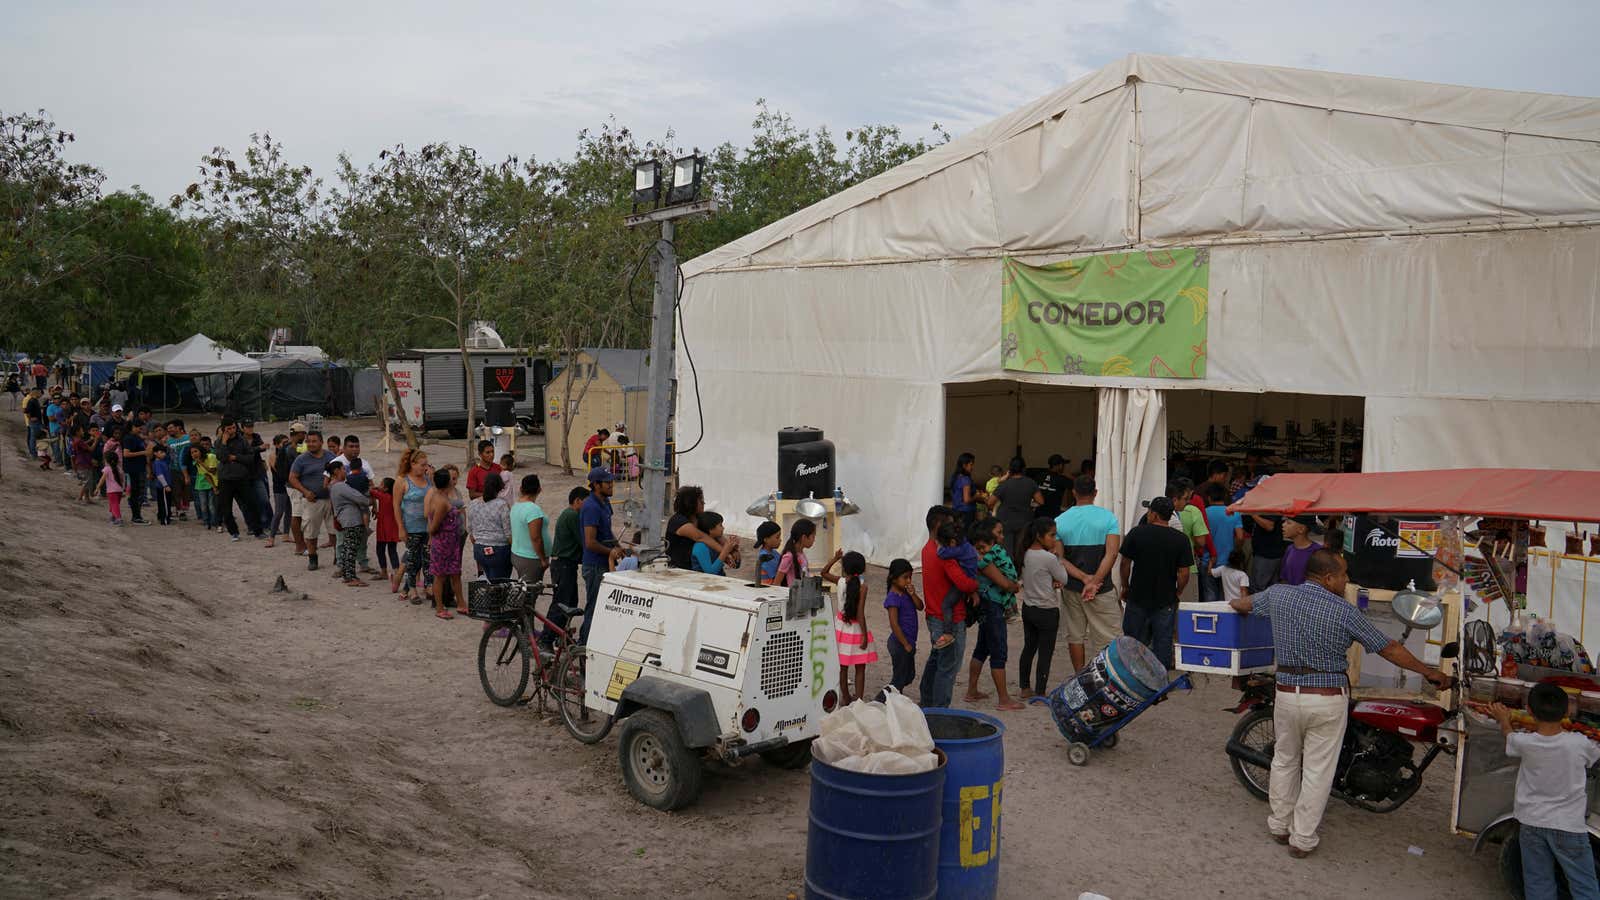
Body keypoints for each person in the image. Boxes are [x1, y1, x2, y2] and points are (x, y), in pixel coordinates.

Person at [1230, 549, 1449, 857]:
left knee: (1285, 759)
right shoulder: (1344, 611)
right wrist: (1430, 673)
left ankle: (1279, 825)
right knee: (1318, 771)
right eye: (1344, 575)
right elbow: (1388, 649)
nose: (1347, 580)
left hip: (1286, 694)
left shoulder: (1278, 595)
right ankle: (1302, 839)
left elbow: (1240, 604)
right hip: (1326, 700)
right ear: (1329, 577)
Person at [1490, 686, 1600, 899]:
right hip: (1569, 827)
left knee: (1538, 883)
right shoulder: (1578, 743)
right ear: (1568, 712)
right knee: (1584, 885)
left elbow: (1509, 735)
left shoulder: (1525, 742)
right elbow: (1595, 751)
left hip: (1532, 823)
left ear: (1529, 711)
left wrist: (1504, 718)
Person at [1055, 476, 1122, 673]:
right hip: (1102, 589)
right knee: (1108, 636)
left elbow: (1059, 559)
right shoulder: (1109, 518)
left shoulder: (1059, 521)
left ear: (1074, 492)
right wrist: (1095, 581)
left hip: (1072, 588)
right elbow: (1112, 553)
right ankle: (1106, 676)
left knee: (1075, 636)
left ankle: (1079, 675)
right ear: (1095, 493)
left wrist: (1085, 579)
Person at [1118, 496, 1194, 670]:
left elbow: (1125, 563)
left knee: (1132, 639)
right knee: (1163, 640)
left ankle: (1131, 674)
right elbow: (1184, 573)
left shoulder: (1137, 533)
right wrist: (1177, 592)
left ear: (1153, 514)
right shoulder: (1180, 539)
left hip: (1137, 595)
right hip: (1166, 598)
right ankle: (1160, 679)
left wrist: (1125, 586)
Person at [1020, 517, 1088, 698]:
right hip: (1047, 610)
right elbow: (1064, 578)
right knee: (1045, 652)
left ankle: (1024, 687)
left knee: (1029, 648)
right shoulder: (1049, 558)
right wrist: (1057, 558)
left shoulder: (1025, 553)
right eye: (1051, 535)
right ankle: (1040, 692)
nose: (1054, 539)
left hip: (1028, 607)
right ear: (1039, 536)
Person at [919, 505, 979, 709]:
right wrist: (976, 586)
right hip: (951, 619)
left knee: (937, 659)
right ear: (938, 525)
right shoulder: (946, 555)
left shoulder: (927, 549)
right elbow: (964, 583)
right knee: (948, 667)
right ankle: (939, 714)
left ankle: (926, 703)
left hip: (933, 615)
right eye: (949, 524)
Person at [964, 519, 1024, 711]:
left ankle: (971, 691)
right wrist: (1015, 586)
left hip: (985, 605)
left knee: (982, 647)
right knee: (999, 650)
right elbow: (1006, 585)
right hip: (993, 605)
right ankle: (1004, 699)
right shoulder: (987, 557)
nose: (1002, 536)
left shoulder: (977, 554)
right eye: (998, 532)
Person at [579, 467, 621, 644]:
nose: (611, 485)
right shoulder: (590, 507)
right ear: (596, 485)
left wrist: (618, 546)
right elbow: (590, 542)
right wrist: (610, 551)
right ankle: (584, 647)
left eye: (612, 481)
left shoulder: (605, 502)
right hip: (595, 566)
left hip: (604, 562)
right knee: (594, 608)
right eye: (607, 482)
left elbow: (607, 532)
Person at [546, 486, 588, 642]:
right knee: (561, 603)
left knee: (570, 602)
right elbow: (584, 541)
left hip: (565, 565)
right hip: (563, 565)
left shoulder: (570, 514)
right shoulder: (572, 515)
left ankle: (560, 636)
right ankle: (547, 639)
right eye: (586, 502)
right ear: (577, 501)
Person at [834, 552, 876, 704]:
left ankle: (845, 697)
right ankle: (858, 699)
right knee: (860, 668)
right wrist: (864, 635)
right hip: (857, 630)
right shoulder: (862, 587)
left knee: (843, 667)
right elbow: (860, 614)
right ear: (863, 569)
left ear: (844, 568)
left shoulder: (839, 582)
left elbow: (824, 572)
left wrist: (835, 559)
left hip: (841, 627)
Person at [288, 431, 334, 567]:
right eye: (308, 441)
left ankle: (339, 558)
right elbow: (292, 478)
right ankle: (313, 558)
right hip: (312, 501)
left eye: (314, 441)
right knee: (311, 532)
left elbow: (338, 473)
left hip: (331, 499)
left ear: (321, 442)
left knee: (335, 530)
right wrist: (305, 492)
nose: (311, 444)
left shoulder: (330, 457)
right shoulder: (301, 459)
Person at [427, 467, 467, 619]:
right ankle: (439, 607)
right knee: (440, 576)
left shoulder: (437, 496)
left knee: (455, 573)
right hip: (444, 543)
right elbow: (434, 526)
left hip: (450, 542)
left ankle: (461, 603)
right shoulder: (442, 501)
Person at [394, 449, 433, 604]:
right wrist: (400, 527)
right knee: (412, 559)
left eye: (426, 464)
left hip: (428, 527)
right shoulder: (402, 481)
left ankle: (428, 585)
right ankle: (412, 589)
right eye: (422, 465)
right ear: (412, 464)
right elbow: (396, 506)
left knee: (428, 558)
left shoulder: (428, 479)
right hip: (411, 527)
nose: (425, 468)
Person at [215, 419, 263, 541]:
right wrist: (224, 442)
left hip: (242, 478)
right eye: (228, 428)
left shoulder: (242, 440)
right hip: (225, 479)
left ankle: (258, 531)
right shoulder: (219, 442)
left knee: (252, 504)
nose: (231, 430)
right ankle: (234, 533)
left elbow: (250, 458)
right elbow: (222, 457)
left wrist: (236, 457)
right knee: (226, 508)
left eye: (233, 427)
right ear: (223, 429)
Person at [328, 460, 373, 588]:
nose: (345, 472)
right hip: (352, 519)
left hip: (347, 520)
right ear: (336, 471)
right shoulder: (340, 486)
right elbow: (359, 498)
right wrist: (368, 500)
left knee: (348, 548)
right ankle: (352, 577)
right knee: (351, 548)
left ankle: (347, 575)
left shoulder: (334, 486)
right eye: (343, 469)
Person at [988, 457, 1041, 563]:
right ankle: (1020, 574)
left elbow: (990, 503)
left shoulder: (1004, 484)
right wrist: (1030, 505)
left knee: (1007, 552)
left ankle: (1008, 575)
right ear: (1023, 469)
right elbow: (1040, 501)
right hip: (1024, 521)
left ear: (1010, 469)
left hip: (1005, 522)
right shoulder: (1030, 483)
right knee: (1021, 551)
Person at [665, 486, 732, 570]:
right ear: (690, 503)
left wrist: (732, 549)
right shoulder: (678, 521)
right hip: (679, 568)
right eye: (700, 501)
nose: (703, 503)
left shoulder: (699, 519)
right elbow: (701, 537)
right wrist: (725, 552)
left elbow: (717, 535)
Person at [881, 558, 922, 695]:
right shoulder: (893, 598)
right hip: (899, 643)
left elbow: (920, 606)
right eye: (905, 578)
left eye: (910, 577)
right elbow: (894, 624)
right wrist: (905, 644)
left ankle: (894, 697)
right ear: (893, 579)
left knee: (908, 676)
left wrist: (913, 594)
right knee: (899, 679)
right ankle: (884, 699)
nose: (909, 581)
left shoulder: (906, 593)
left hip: (909, 641)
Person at [1201, 483, 1245, 603]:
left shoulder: (1203, 513)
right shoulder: (1234, 513)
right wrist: (1235, 550)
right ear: (1224, 496)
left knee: (1210, 597)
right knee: (1227, 597)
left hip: (1208, 561)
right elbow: (1240, 537)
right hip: (1228, 562)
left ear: (1209, 497)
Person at [467, 471, 514, 582]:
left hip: (479, 549)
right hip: (499, 550)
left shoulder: (473, 504)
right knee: (500, 583)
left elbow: (470, 529)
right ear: (500, 488)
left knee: (489, 581)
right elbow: (508, 533)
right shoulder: (502, 505)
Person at [509, 474, 550, 583]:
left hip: (518, 553)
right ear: (539, 489)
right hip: (531, 558)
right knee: (529, 594)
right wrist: (542, 559)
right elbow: (536, 537)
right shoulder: (533, 510)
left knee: (524, 589)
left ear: (521, 489)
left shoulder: (516, 506)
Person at [1171, 479, 1211, 592]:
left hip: (1167, 567)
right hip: (1188, 566)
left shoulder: (1160, 512)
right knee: (1186, 604)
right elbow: (1201, 541)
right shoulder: (1194, 511)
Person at [372, 477, 401, 592]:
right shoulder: (393, 497)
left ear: (386, 488)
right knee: (392, 550)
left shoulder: (383, 496)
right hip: (392, 527)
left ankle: (384, 571)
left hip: (384, 527)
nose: (380, 486)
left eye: (382, 485)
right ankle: (397, 571)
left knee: (380, 549)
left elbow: (371, 491)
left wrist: (374, 488)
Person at [120, 421, 151, 524]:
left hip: (139, 468)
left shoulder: (137, 438)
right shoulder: (129, 438)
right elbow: (126, 454)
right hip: (133, 469)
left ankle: (138, 516)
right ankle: (136, 517)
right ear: (131, 427)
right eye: (137, 427)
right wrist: (144, 452)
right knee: (136, 493)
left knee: (139, 493)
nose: (139, 429)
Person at [1279, 516, 1322, 587]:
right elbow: (1285, 578)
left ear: (1301, 529)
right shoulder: (1289, 549)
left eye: (1288, 523)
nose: (1283, 525)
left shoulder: (1318, 552)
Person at [189, 444, 217, 529]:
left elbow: (211, 471)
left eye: (196, 451)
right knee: (203, 505)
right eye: (192, 453)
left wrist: (200, 462)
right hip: (201, 484)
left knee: (212, 505)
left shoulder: (211, 456)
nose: (194, 454)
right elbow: (205, 474)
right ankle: (206, 522)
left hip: (213, 482)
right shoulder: (196, 462)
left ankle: (214, 522)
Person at [1036, 454, 1071, 520]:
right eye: (1063, 465)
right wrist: (1069, 475)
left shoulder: (1039, 476)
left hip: (1039, 514)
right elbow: (1078, 486)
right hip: (1053, 516)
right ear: (1060, 465)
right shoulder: (1062, 479)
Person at [948, 452, 978, 527]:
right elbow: (967, 500)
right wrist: (977, 497)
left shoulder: (955, 477)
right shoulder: (965, 479)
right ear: (964, 465)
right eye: (971, 465)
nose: (972, 467)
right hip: (966, 513)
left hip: (956, 510)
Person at [97, 449, 125, 526]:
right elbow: (122, 479)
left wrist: (97, 488)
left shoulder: (107, 469)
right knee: (115, 504)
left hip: (111, 491)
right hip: (119, 490)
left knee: (114, 504)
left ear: (106, 460)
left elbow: (102, 479)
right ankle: (113, 516)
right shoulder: (119, 468)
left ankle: (118, 519)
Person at [151, 444, 173, 525]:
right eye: (161, 452)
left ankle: (161, 516)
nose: (163, 454)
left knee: (163, 502)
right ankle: (165, 519)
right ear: (155, 453)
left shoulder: (162, 461)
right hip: (163, 487)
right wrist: (166, 485)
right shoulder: (157, 463)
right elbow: (159, 475)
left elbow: (171, 456)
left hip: (164, 486)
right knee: (165, 503)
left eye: (164, 452)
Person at [754, 521, 783, 585]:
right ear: (766, 539)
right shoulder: (765, 558)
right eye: (777, 537)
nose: (780, 540)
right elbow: (780, 574)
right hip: (769, 590)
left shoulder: (774, 553)